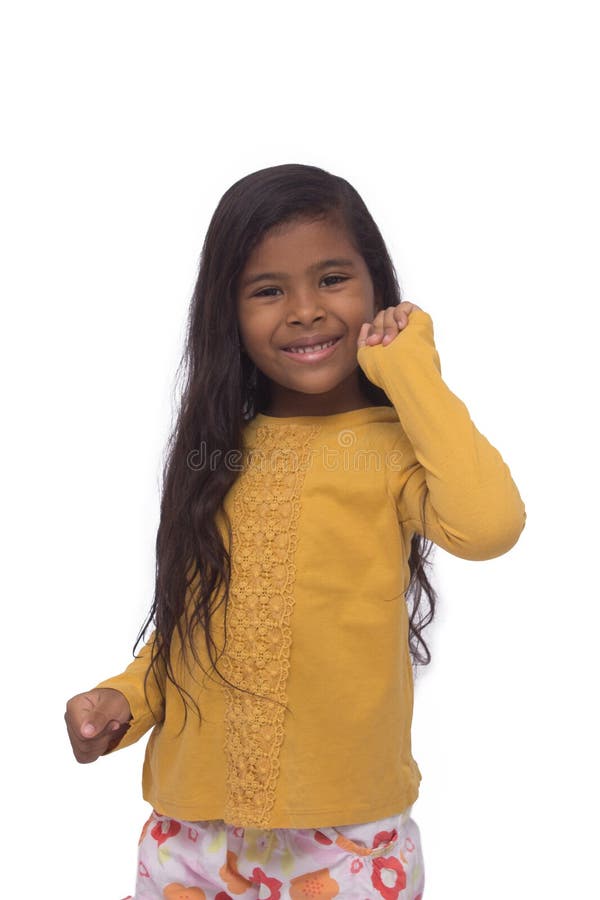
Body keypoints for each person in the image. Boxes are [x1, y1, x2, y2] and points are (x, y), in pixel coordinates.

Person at [64, 163, 526, 900]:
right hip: (190, 837)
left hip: (346, 840)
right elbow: (195, 625)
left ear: (377, 290)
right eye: (268, 290)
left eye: (333, 279)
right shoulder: (215, 453)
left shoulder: (395, 449)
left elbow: (491, 524)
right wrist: (126, 698)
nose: (305, 310)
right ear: (228, 312)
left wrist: (411, 368)